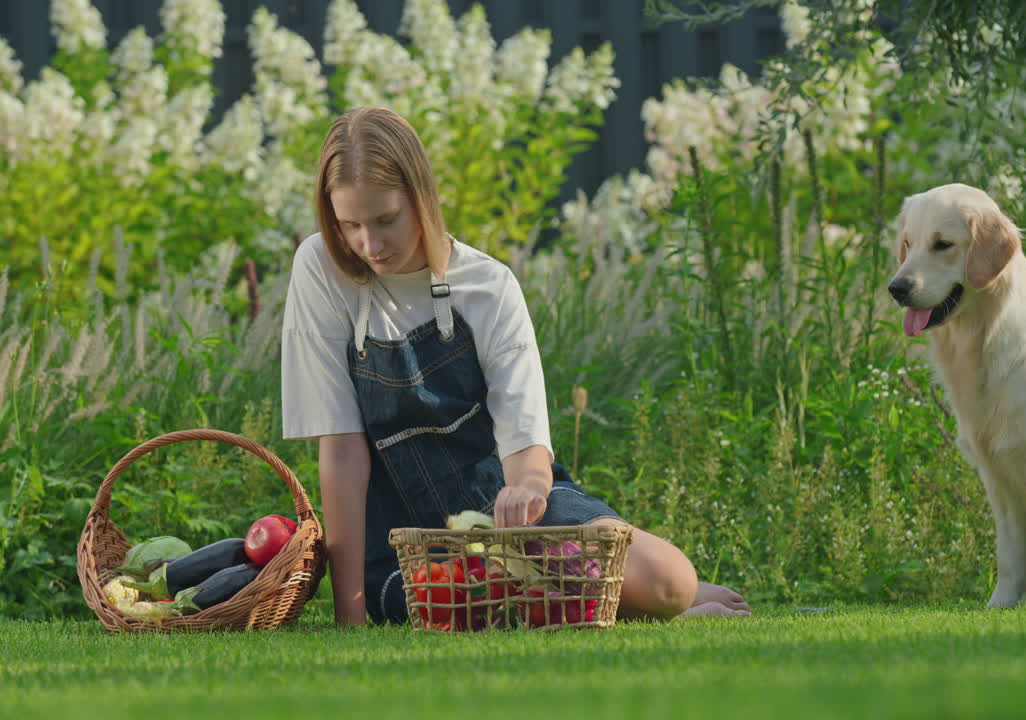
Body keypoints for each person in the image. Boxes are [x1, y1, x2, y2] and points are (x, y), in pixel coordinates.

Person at [281, 106, 751, 626]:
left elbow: (524, 435)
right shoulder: (321, 268)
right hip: (406, 543)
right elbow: (343, 451)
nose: (369, 244)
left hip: (510, 514)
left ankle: (649, 593)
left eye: (386, 219)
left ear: (421, 198)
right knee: (465, 606)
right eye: (351, 225)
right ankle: (621, 600)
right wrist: (350, 615)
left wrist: (528, 486)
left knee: (671, 581)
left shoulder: (489, 285)